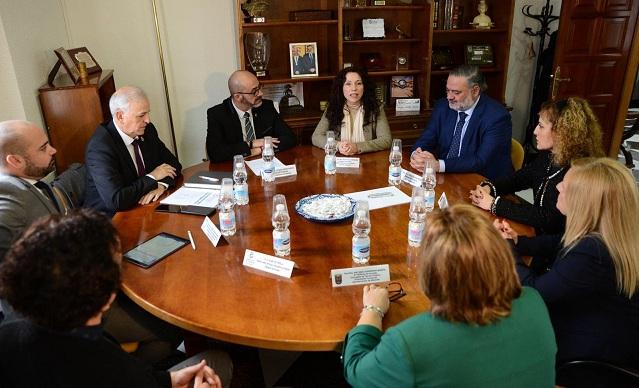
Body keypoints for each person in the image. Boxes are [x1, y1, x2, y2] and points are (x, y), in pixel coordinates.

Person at [0, 209, 232, 388]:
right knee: (218, 362)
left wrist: (168, 380)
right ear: (108, 297)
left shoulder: (10, 334)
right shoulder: (95, 362)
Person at [343, 204, 556, 387]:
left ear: (431, 271)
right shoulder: (533, 300)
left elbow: (356, 371)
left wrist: (373, 309)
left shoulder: (408, 341)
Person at [495, 158, 639, 386]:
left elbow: (533, 294)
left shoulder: (593, 252)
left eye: (565, 185)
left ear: (584, 202)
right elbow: (559, 243)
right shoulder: (607, 235)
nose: (558, 187)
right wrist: (518, 241)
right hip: (599, 331)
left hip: (586, 358)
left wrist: (506, 249)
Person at [469, 97, 604, 235]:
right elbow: (520, 179)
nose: (535, 131)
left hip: (555, 245)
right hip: (538, 232)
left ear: (561, 133)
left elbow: (548, 218)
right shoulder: (549, 155)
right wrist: (490, 187)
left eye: (541, 126)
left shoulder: (577, 171)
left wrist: (494, 204)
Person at [84, 86, 182, 217]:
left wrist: (161, 185)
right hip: (109, 219)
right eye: (141, 115)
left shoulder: (147, 130)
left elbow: (174, 164)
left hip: (142, 209)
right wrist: (153, 177)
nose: (148, 120)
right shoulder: (100, 148)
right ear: (120, 116)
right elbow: (116, 200)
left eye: (148, 113)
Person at [410, 65, 512, 180]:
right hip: (447, 175)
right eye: (447, 90)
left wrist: (439, 165)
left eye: (456, 92)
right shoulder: (443, 107)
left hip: (482, 180)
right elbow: (427, 138)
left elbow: (481, 160)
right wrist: (417, 155)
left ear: (475, 90)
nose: (449, 97)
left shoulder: (497, 117)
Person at [206, 70, 297, 162]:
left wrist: (260, 150)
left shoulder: (267, 107)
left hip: (265, 165)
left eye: (259, 87)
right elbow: (215, 153)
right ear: (238, 97)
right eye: (254, 91)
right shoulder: (217, 114)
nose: (261, 93)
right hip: (236, 168)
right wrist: (251, 144)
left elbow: (290, 138)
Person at [311, 67, 391, 155]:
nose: (354, 88)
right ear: (341, 87)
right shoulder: (334, 107)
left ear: (365, 87)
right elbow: (316, 137)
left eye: (359, 83)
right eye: (348, 84)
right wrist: (338, 145)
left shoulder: (376, 108)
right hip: (340, 160)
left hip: (368, 161)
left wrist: (357, 147)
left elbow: (386, 140)